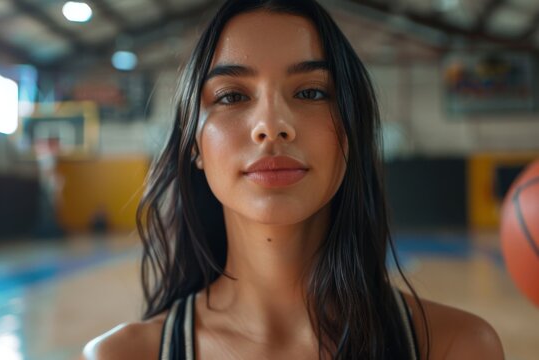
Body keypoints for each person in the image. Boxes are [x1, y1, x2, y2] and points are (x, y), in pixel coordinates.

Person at [82, 0, 504, 359]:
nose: (272, 125)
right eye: (232, 96)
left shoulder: (455, 347)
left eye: (311, 93)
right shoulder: (123, 355)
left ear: (353, 132)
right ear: (194, 145)